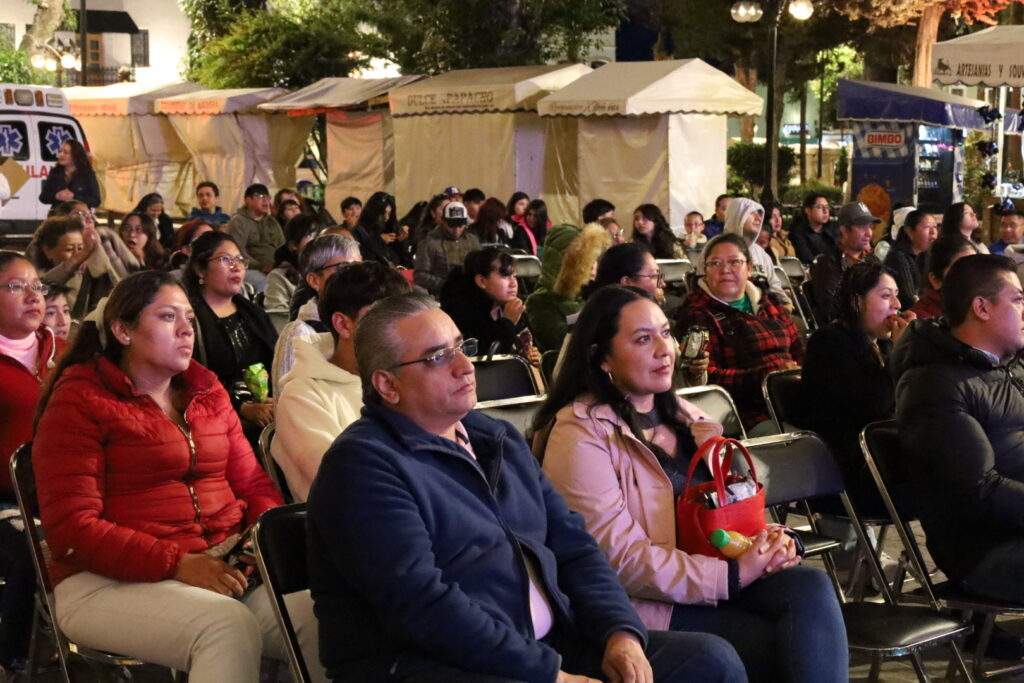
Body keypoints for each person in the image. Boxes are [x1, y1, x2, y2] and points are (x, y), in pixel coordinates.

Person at [306, 293, 746, 683]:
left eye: (461, 347)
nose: (465, 366)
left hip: (544, 644)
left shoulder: (494, 438)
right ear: (387, 384)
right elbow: (422, 607)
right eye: (437, 357)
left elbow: (574, 546)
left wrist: (619, 632)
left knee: (710, 661)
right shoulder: (363, 467)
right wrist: (550, 674)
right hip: (432, 665)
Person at [537, 285, 847, 683]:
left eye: (666, 333)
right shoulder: (579, 434)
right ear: (602, 358)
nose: (664, 349)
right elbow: (617, 560)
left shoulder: (685, 416)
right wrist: (731, 576)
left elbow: (729, 510)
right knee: (778, 645)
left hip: (713, 574)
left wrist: (772, 541)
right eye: (643, 339)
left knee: (809, 586)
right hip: (646, 603)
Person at [32, 270, 325, 683]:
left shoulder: (207, 391)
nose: (187, 329)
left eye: (189, 317)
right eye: (168, 317)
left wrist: (255, 541)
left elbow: (254, 484)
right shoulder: (80, 400)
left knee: (326, 615)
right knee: (224, 626)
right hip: (104, 579)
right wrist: (177, 564)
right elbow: (71, 528)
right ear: (122, 330)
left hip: (220, 566)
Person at [891, 254, 1024, 605]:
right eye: (1017, 300)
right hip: (985, 550)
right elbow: (977, 490)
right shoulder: (933, 385)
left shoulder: (1008, 366)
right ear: (982, 308)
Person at [272, 262, 410, 502]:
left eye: (403, 318)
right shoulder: (303, 395)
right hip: (361, 515)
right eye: (384, 318)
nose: (400, 332)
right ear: (343, 324)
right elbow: (343, 483)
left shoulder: (406, 374)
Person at [798, 261, 914, 511]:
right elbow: (872, 408)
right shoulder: (828, 342)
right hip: (853, 471)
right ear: (858, 301)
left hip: (885, 457)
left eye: (897, 296)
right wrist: (900, 354)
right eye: (886, 296)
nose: (897, 305)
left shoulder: (882, 345)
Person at [0, 252, 64, 677]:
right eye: (16, 286)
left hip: (67, 492)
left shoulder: (65, 354)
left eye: (38, 286)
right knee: (34, 544)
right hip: (6, 500)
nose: (33, 296)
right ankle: (13, 658)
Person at [675, 234, 803, 431]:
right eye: (715, 263)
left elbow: (799, 351)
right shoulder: (698, 314)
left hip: (795, 397)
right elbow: (709, 380)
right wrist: (769, 376)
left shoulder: (771, 303)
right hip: (750, 413)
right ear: (705, 271)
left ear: (749, 268)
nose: (725, 269)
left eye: (735, 262)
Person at [184, 232, 278, 443]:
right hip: (215, 420)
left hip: (269, 411)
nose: (236, 267)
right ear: (200, 269)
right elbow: (189, 380)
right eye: (225, 259)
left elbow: (276, 363)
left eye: (240, 260)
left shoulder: (254, 313)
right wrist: (242, 406)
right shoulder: (188, 320)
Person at [271, 234, 362, 390]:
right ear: (314, 280)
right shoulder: (299, 333)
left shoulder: (364, 322)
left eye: (358, 267)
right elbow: (288, 398)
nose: (356, 277)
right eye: (344, 268)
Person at [440, 248, 539, 361]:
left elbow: (527, 345)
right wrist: (508, 323)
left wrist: (532, 355)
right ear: (482, 281)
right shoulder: (462, 313)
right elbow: (481, 357)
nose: (513, 284)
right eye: (505, 276)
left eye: (514, 276)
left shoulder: (511, 306)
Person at [526, 224, 611, 352]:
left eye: (594, 259)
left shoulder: (590, 293)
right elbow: (560, 342)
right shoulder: (539, 301)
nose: (593, 265)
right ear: (566, 264)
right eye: (585, 260)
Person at [25, 215, 118, 318]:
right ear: (47, 251)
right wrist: (73, 262)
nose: (79, 254)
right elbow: (41, 288)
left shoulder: (90, 276)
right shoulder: (33, 277)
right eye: (69, 249)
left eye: (81, 248)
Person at [807, 201, 880, 325]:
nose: (869, 233)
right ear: (845, 230)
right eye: (862, 227)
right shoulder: (828, 265)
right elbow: (831, 311)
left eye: (870, 227)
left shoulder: (871, 260)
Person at [712, 197, 792, 308]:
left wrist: (786, 302)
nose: (758, 217)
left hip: (764, 309)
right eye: (752, 213)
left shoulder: (761, 253)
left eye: (759, 213)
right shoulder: (714, 248)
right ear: (738, 215)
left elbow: (774, 285)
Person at [414, 201, 481, 297]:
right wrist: (447, 285)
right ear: (443, 221)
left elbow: (481, 267)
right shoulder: (429, 243)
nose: (456, 230)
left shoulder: (472, 240)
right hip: (441, 295)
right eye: (451, 225)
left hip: (471, 293)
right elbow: (420, 275)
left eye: (460, 225)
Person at [224, 184, 285, 290]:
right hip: (250, 268)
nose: (266, 201)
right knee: (266, 284)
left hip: (275, 268)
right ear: (248, 200)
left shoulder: (272, 222)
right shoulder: (238, 222)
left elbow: (283, 247)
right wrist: (261, 266)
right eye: (260, 197)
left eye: (268, 197)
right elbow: (238, 252)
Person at [264, 214, 321, 326]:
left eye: (319, 234)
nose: (317, 240)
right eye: (310, 235)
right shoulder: (278, 276)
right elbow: (278, 319)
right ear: (293, 244)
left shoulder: (327, 272)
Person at [909, 234, 977, 319]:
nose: (973, 276)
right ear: (935, 280)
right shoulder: (919, 319)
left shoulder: (981, 307)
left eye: (976, 266)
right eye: (961, 269)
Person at [883, 209, 937, 310]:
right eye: (927, 227)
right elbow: (909, 298)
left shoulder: (926, 256)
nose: (933, 232)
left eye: (935, 227)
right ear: (910, 232)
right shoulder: (897, 257)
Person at [353, 192, 411, 268]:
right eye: (383, 213)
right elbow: (364, 256)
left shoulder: (390, 228)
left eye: (389, 213)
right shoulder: (360, 231)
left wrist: (401, 241)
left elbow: (405, 260)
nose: (386, 218)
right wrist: (379, 240)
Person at [38, 139, 100, 209]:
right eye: (60, 151)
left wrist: (74, 197)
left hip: (78, 213)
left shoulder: (87, 174)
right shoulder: (55, 172)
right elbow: (43, 197)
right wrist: (56, 196)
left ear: (76, 156)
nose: (61, 155)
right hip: (58, 213)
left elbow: (96, 200)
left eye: (66, 152)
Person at [789, 193, 837, 264]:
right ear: (808, 210)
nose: (825, 211)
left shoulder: (832, 231)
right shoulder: (798, 233)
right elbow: (807, 259)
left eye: (827, 207)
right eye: (819, 207)